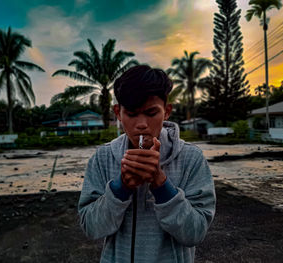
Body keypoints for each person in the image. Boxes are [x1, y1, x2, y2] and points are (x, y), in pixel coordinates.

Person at [78, 65, 216, 263]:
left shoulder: (190, 158)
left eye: (151, 113)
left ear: (167, 111)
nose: (141, 124)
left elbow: (195, 233)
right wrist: (120, 188)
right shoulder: (103, 157)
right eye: (132, 114)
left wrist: (161, 185)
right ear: (118, 112)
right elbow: (91, 228)